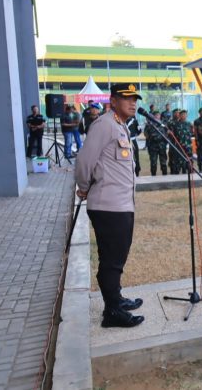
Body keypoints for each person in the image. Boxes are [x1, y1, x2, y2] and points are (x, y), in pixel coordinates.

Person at [75, 83, 144, 328]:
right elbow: (85, 160)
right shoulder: (104, 124)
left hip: (122, 204)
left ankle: (116, 298)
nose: (133, 102)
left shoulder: (120, 125)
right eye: (127, 98)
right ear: (113, 101)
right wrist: (83, 186)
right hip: (108, 205)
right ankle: (112, 312)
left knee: (117, 256)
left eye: (135, 98)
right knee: (112, 259)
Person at [143, 111, 168, 176]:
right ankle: (153, 176)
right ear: (153, 116)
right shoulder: (149, 124)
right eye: (156, 115)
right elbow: (146, 134)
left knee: (163, 162)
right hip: (153, 146)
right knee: (153, 163)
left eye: (158, 115)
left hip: (162, 146)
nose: (157, 116)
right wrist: (151, 138)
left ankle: (165, 176)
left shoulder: (163, 124)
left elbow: (167, 132)